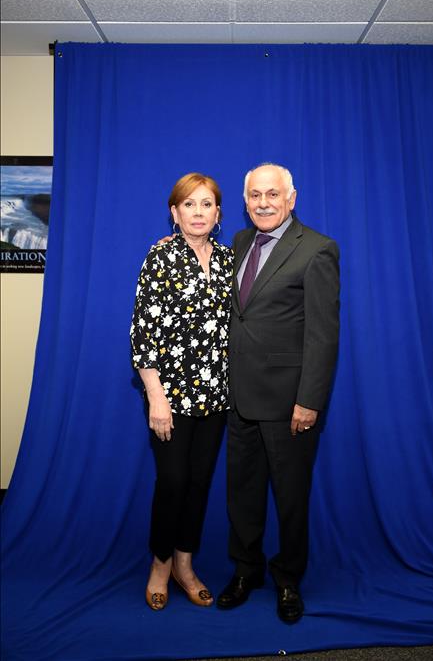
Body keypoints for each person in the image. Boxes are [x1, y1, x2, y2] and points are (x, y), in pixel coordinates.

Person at [216, 163, 340, 623]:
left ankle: (288, 579)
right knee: (242, 495)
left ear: (291, 198)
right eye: (255, 195)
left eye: (272, 194)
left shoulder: (318, 249)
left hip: (289, 404)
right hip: (239, 398)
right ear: (245, 201)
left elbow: (323, 336)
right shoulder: (239, 242)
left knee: (290, 498)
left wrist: (309, 401)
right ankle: (245, 571)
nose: (263, 203)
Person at [130, 172, 234, 611]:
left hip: (217, 395)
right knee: (172, 482)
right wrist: (156, 396)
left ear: (218, 212)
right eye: (188, 204)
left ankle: (185, 565)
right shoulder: (160, 257)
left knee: (199, 482)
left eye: (206, 204)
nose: (198, 212)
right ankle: (160, 565)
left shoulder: (230, 260)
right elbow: (143, 333)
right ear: (174, 213)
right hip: (169, 396)